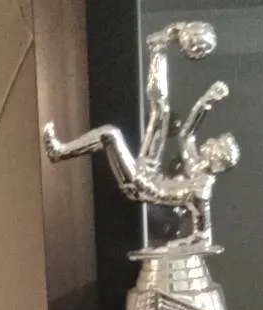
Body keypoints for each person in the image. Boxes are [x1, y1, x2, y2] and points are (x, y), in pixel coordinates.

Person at [42, 21, 239, 249]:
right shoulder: (195, 164)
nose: (211, 142)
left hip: (142, 184)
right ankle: (157, 49)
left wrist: (177, 247)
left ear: (218, 161)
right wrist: (206, 102)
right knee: (161, 111)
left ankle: (59, 151)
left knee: (110, 134)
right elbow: (186, 134)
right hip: (150, 170)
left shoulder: (202, 185)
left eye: (216, 145)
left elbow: (203, 235)